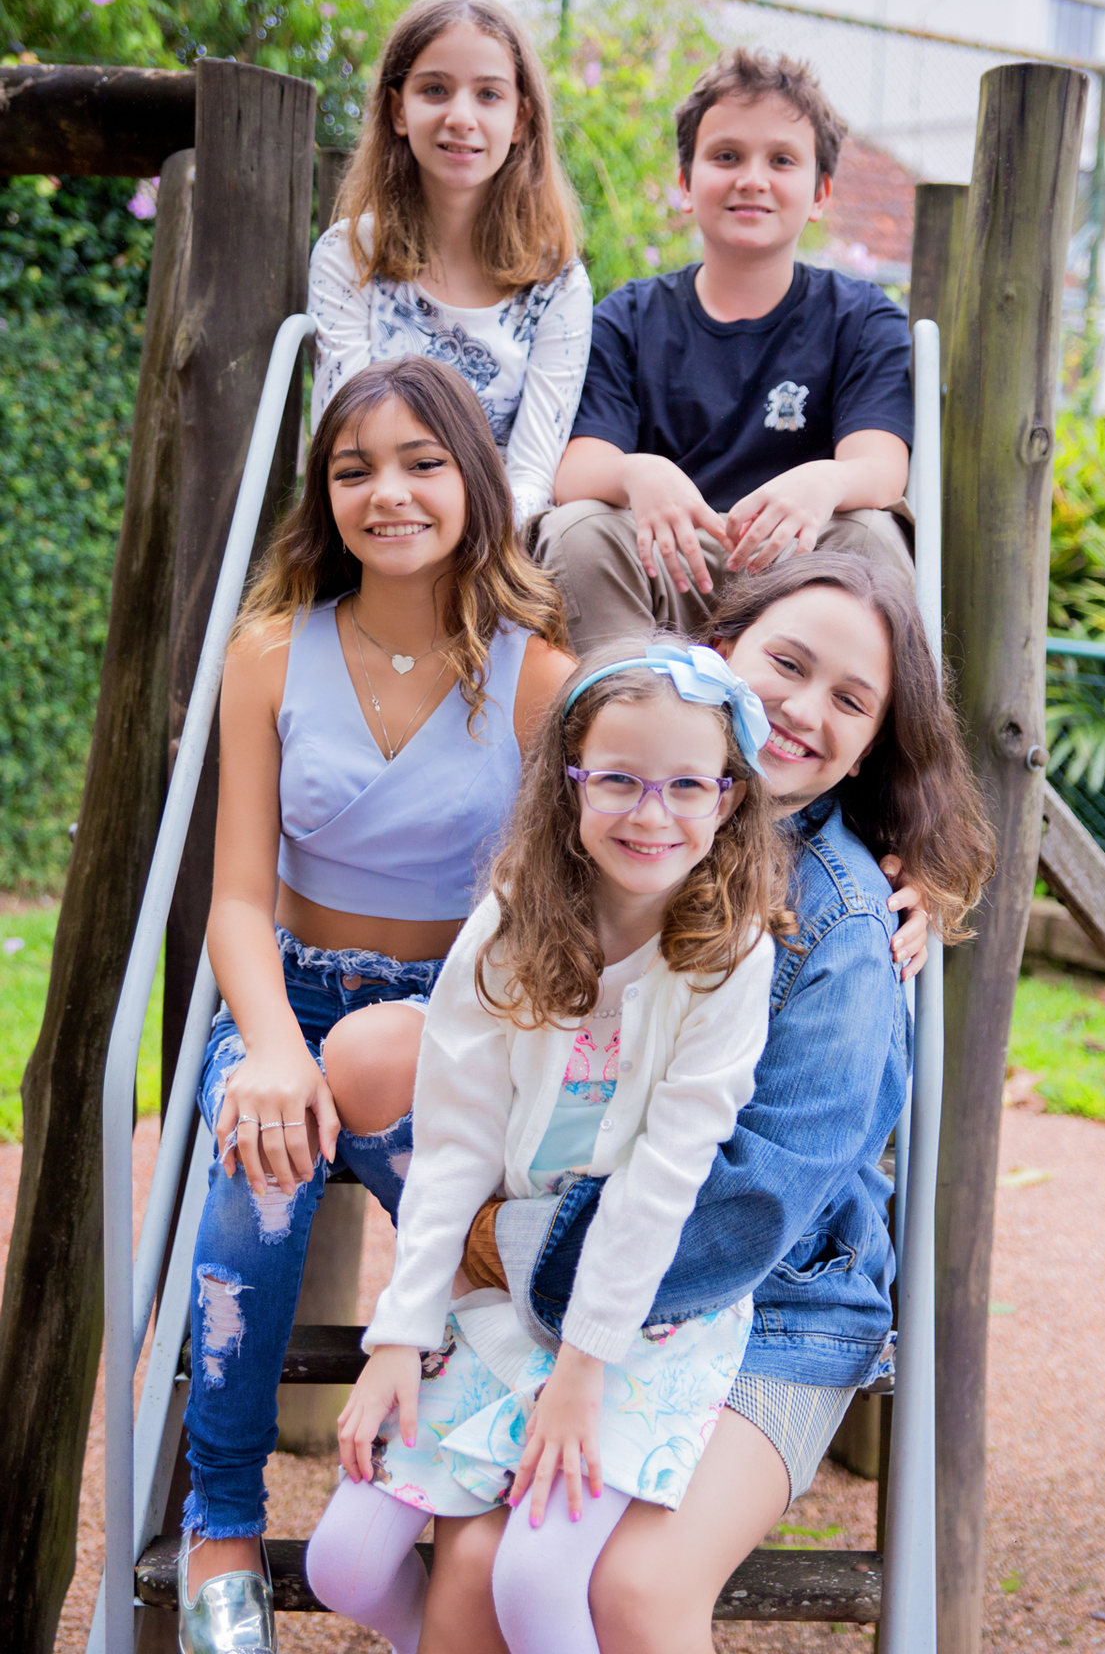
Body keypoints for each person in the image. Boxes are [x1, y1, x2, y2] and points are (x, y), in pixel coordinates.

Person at [425, 551, 995, 1654]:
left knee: (633, 1589)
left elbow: (757, 1202)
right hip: (600, 1280)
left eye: (850, 700)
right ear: (720, 652)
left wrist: (515, 1247)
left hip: (777, 1304)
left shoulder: (845, 925)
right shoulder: (622, 825)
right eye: (787, 662)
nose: (803, 709)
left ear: (874, 744)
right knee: (482, 1562)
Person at [175, 356, 575, 1649]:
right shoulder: (270, 654)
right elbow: (238, 898)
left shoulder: (538, 679)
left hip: (452, 1012)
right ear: (324, 495)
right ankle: (219, 1525)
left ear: (473, 479)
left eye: (420, 463)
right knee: (259, 1179)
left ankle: (471, 1481)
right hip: (284, 994)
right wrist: (273, 1050)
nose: (387, 492)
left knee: (480, 1253)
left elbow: (542, 917)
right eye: (355, 470)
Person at [304, 640, 799, 1654]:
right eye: (617, 779)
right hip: (504, 1285)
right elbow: (450, 1145)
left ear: (730, 798)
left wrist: (581, 1372)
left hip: (635, 1313)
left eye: (684, 786)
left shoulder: (730, 956)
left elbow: (666, 1178)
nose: (649, 814)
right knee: (343, 1565)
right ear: (570, 782)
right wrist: (399, 1335)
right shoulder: (508, 924)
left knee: (533, 1582)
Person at [534, 49, 916, 652]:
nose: (752, 179)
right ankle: (625, 721)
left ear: (819, 194)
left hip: (800, 572)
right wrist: (641, 473)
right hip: (668, 569)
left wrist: (824, 482)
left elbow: (881, 467)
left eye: (782, 160)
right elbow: (576, 471)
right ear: (686, 185)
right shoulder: (627, 320)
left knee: (871, 534)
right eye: (727, 156)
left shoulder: (863, 319)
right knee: (576, 529)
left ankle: (822, 738)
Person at [309, 0, 592, 527]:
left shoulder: (557, 283)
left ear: (520, 120)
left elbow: (532, 477)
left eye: (489, 95)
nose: (460, 117)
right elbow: (344, 446)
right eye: (435, 90)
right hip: (379, 530)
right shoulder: (350, 256)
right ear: (399, 110)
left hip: (497, 547)